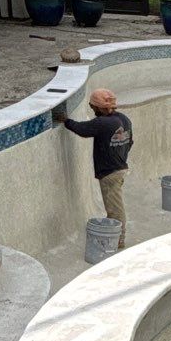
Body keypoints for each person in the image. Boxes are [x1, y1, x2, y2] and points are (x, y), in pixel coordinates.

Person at [62, 87, 133, 247]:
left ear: (100, 107)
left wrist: (66, 121)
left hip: (110, 173)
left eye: (92, 106)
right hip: (120, 167)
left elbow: (82, 129)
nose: (91, 108)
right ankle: (117, 236)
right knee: (115, 206)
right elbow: (130, 142)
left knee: (115, 208)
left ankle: (118, 240)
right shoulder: (124, 119)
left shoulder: (102, 123)